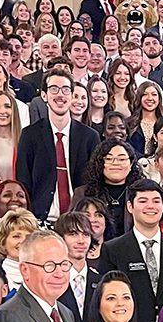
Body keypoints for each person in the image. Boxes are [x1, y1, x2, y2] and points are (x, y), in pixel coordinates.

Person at [97, 180, 163, 322]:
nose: (151, 206)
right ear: (130, 206)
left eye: (156, 201)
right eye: (143, 201)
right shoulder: (112, 250)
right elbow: (107, 301)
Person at [15, 68, 100, 222]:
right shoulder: (29, 135)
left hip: (79, 220)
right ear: (44, 95)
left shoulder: (90, 137)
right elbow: (23, 181)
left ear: (72, 96)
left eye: (66, 90)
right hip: (40, 219)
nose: (60, 95)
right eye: (54, 89)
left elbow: (95, 184)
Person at [56, 210, 102, 322]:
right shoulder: (52, 281)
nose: (81, 241)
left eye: (86, 234)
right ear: (60, 238)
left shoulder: (102, 282)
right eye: (73, 234)